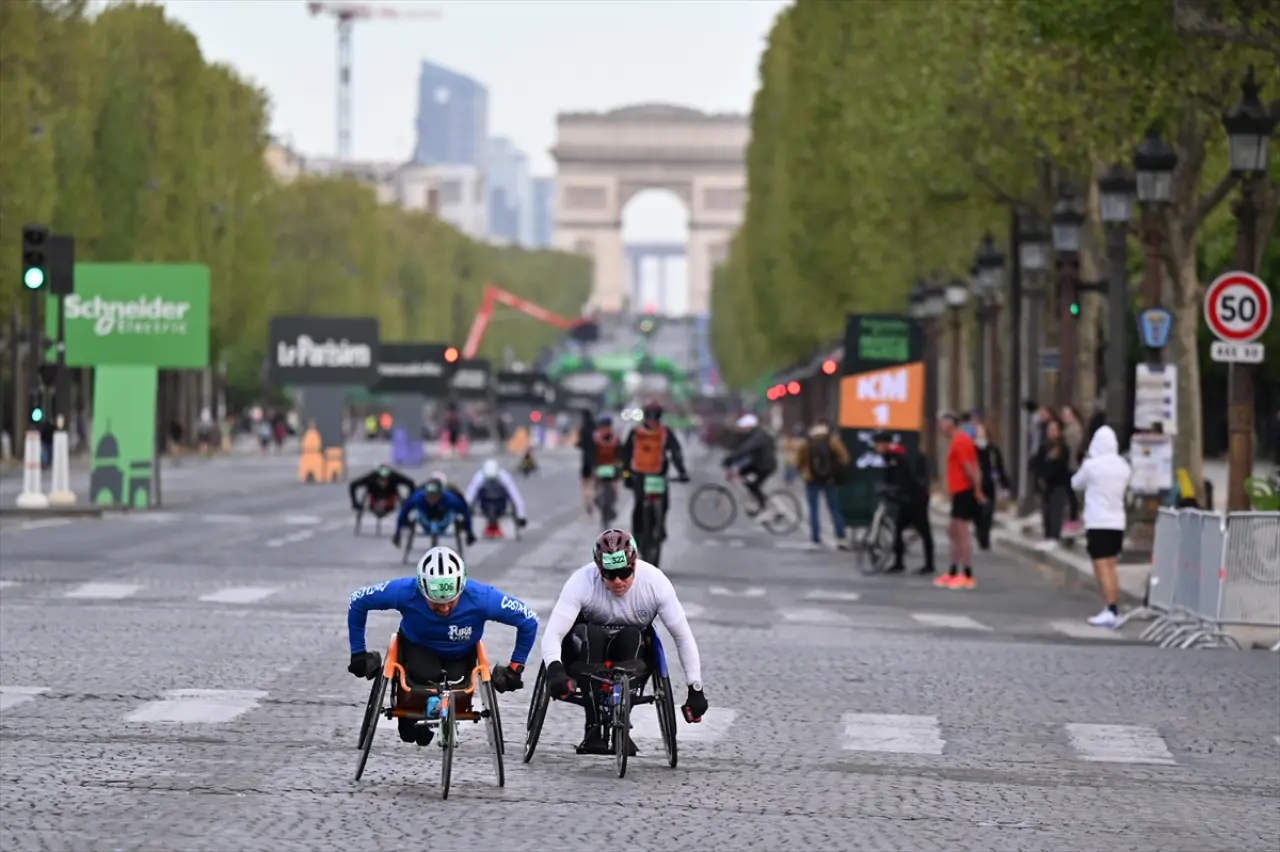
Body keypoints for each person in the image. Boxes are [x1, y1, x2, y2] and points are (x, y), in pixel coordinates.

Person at [346, 546, 538, 746]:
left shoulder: (482, 598)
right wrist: (358, 653)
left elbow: (529, 620)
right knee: (421, 686)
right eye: (436, 603)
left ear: (461, 588)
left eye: (451, 601)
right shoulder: (405, 591)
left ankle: (432, 710)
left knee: (455, 679)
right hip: (417, 648)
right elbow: (358, 601)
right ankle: (417, 715)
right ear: (422, 590)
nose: (445, 608)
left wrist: (515, 669)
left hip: (460, 656)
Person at [540, 529, 708, 756]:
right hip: (587, 649)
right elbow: (554, 633)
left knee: (632, 635)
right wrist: (555, 668)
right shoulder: (581, 581)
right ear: (599, 569)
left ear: (635, 564)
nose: (618, 581)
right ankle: (594, 728)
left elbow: (682, 636)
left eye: (625, 572)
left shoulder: (655, 582)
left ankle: (622, 722)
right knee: (593, 634)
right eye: (610, 575)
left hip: (631, 650)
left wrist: (695, 688)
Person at [1070, 425, 1132, 628]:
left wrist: (1086, 461)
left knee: (1100, 565)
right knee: (1111, 565)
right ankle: (1112, 607)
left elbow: (1075, 483)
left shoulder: (1092, 466)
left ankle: (1110, 607)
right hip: (1117, 522)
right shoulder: (1123, 466)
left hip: (1098, 521)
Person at [620, 402, 690, 542]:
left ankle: (637, 537)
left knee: (639, 504)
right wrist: (682, 472)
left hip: (640, 475)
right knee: (662, 504)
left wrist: (626, 475)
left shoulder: (636, 432)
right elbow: (676, 453)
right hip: (658, 475)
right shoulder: (665, 432)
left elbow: (625, 456)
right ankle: (660, 527)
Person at [871, 431, 936, 574]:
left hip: (915, 498)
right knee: (898, 528)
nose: (876, 448)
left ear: (884, 444)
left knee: (924, 530)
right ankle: (899, 562)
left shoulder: (898, 456)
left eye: (878, 444)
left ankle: (929, 564)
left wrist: (895, 489)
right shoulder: (888, 456)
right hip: (905, 499)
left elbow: (905, 477)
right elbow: (889, 477)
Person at [937, 413, 985, 589]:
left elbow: (970, 467)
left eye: (942, 423)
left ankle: (966, 573)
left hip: (964, 491)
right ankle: (952, 571)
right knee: (953, 531)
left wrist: (977, 490)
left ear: (950, 424)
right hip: (958, 492)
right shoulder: (956, 440)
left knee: (962, 532)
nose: (940, 427)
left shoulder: (961, 441)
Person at [796, 418, 851, 549]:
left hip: (811, 480)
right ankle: (841, 538)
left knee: (813, 509)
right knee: (834, 509)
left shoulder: (806, 442)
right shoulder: (832, 441)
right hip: (829, 480)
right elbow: (845, 458)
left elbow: (799, 460)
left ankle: (815, 539)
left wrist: (803, 472)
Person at [392, 478, 476, 549]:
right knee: (415, 514)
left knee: (453, 515)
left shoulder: (450, 499)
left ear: (440, 494)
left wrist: (469, 532)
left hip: (444, 518)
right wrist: (398, 533)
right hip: (424, 517)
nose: (432, 499)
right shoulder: (417, 498)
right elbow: (403, 512)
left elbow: (465, 512)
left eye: (435, 496)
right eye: (429, 496)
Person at [721, 413, 777, 516]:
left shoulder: (758, 436)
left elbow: (747, 448)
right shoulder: (753, 434)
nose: (742, 430)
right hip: (758, 463)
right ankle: (754, 499)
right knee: (741, 473)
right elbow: (743, 450)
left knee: (754, 486)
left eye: (744, 427)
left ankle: (764, 509)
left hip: (765, 466)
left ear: (749, 426)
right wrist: (734, 462)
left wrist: (732, 459)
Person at [1031, 418, 1072, 550]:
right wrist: (1040, 476)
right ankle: (1047, 535)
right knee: (1046, 510)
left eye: (1055, 429)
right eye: (1050, 429)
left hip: (1057, 484)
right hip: (1045, 485)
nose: (1052, 432)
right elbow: (1036, 463)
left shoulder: (1063, 448)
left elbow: (1060, 467)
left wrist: (1047, 476)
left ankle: (1054, 537)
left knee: (1056, 510)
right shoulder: (1044, 447)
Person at [464, 458, 527, 538]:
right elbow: (470, 495)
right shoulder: (479, 477)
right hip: (484, 505)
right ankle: (492, 526)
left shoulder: (504, 477)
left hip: (500, 505)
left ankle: (492, 526)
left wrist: (521, 516)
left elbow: (515, 496)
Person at [972, 424, 1010, 551]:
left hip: (990, 484)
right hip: (976, 485)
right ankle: (979, 532)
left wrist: (1005, 484)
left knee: (988, 511)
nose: (980, 434)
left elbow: (999, 467)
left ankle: (985, 536)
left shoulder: (993, 450)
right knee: (978, 512)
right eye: (978, 432)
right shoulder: (972, 449)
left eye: (982, 432)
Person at [348, 463, 416, 517]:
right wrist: (355, 503)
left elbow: (410, 483)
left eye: (385, 480)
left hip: (389, 502)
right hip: (375, 500)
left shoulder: (393, 477)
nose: (383, 483)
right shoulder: (372, 477)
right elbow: (353, 485)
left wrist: (409, 501)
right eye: (382, 480)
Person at [1060, 405, 1085, 535]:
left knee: (1072, 493)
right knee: (1070, 493)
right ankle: (1072, 518)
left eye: (1067, 414)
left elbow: (1071, 448)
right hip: (1070, 464)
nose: (1065, 417)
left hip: (1072, 465)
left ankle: (1073, 519)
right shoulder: (1069, 429)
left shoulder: (1073, 430)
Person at [591, 413, 623, 509]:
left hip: (599, 464)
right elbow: (621, 449)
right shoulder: (615, 435)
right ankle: (613, 502)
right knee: (614, 483)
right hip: (613, 464)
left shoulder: (595, 435)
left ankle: (596, 495)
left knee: (596, 482)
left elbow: (592, 450)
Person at [577, 409, 597, 514]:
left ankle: (588, 500)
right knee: (596, 482)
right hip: (597, 460)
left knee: (585, 484)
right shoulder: (596, 427)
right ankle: (595, 497)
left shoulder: (583, 428)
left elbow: (580, 443)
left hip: (586, 460)